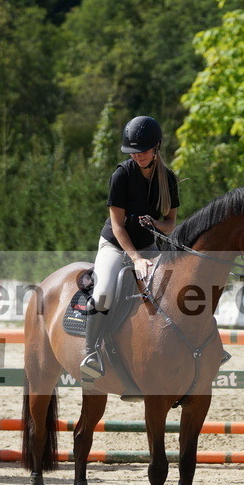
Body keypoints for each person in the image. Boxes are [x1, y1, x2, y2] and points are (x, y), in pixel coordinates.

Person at [80, 115, 179, 380]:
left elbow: (170, 223)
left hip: (147, 245)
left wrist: (155, 224)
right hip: (115, 245)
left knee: (176, 289)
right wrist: (134, 258)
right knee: (102, 293)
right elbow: (117, 226)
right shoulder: (121, 175)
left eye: (143, 151)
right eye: (133, 152)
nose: (138, 157)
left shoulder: (167, 178)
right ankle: (90, 353)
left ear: (157, 147)